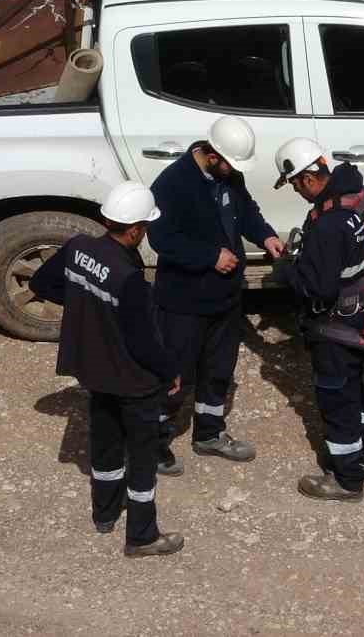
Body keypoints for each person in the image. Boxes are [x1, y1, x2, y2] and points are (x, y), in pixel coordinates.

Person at [30, 181, 184, 557]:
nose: (144, 234)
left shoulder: (78, 248)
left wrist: (86, 304)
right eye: (144, 229)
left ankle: (105, 513)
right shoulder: (128, 277)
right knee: (142, 459)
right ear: (134, 229)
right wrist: (171, 372)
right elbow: (143, 342)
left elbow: (40, 282)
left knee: (106, 443)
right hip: (133, 382)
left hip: (95, 372)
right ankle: (142, 536)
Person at [148, 116, 285, 475]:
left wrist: (265, 235)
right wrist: (209, 256)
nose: (233, 171)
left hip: (224, 297)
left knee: (218, 369)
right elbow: (160, 239)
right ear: (211, 155)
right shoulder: (172, 184)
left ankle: (209, 434)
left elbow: (246, 211)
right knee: (175, 374)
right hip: (184, 301)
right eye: (229, 164)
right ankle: (154, 442)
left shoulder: (229, 175)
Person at [270, 137, 364, 503]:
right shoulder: (363, 196)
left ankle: (346, 478)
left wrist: (290, 269)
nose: (296, 190)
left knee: (337, 398)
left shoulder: (329, 224)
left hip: (337, 325)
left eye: (294, 183)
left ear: (310, 177)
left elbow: (319, 290)